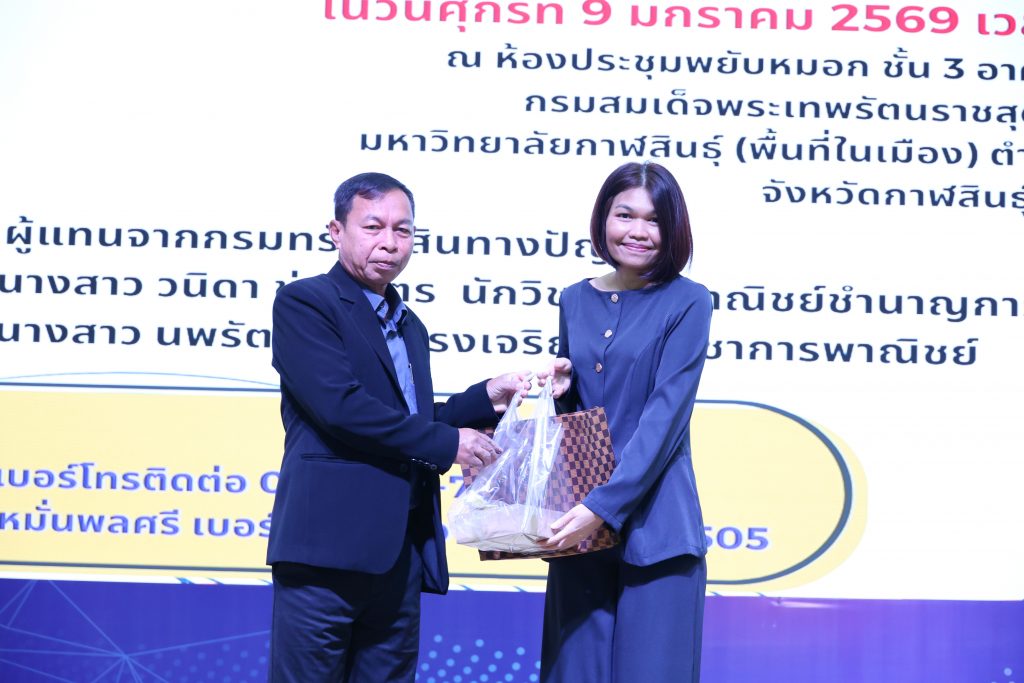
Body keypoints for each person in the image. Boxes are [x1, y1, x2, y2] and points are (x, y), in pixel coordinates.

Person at [266, 171, 530, 682]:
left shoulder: (410, 325)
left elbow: (412, 423)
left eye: (403, 230)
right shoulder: (307, 302)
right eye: (373, 227)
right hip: (326, 553)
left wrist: (487, 395)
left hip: (400, 554)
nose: (389, 242)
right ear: (336, 231)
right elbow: (342, 408)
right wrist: (448, 443)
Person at [537, 161, 713, 683]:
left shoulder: (689, 301)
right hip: (580, 530)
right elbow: (580, 422)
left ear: (673, 228)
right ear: (603, 219)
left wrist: (603, 507)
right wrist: (561, 391)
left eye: (654, 220)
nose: (638, 231)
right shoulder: (574, 299)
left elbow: (665, 418)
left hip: (657, 530)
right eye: (625, 215)